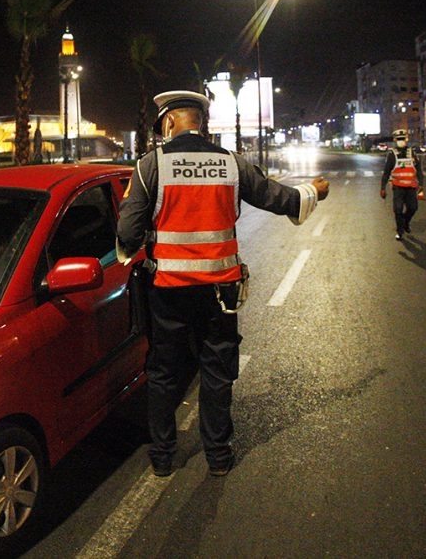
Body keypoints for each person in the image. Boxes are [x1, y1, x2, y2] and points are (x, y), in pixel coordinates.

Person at [116, 90, 329, 478]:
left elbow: (128, 233)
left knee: (164, 372)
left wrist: (136, 243)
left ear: (168, 122)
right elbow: (277, 198)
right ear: (202, 122)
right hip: (220, 292)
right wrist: (314, 191)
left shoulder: (152, 165)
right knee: (217, 370)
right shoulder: (231, 163)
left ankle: (163, 456)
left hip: (167, 291)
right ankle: (218, 456)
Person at [380, 129, 424, 240]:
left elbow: (418, 169)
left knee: (413, 208)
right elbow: (386, 172)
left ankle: (405, 222)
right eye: (399, 139)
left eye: (403, 138)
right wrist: (383, 188)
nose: (401, 141)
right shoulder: (392, 154)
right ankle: (400, 231)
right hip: (398, 187)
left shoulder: (412, 153)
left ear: (406, 139)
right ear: (395, 140)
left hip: (411, 187)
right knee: (398, 209)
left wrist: (421, 184)